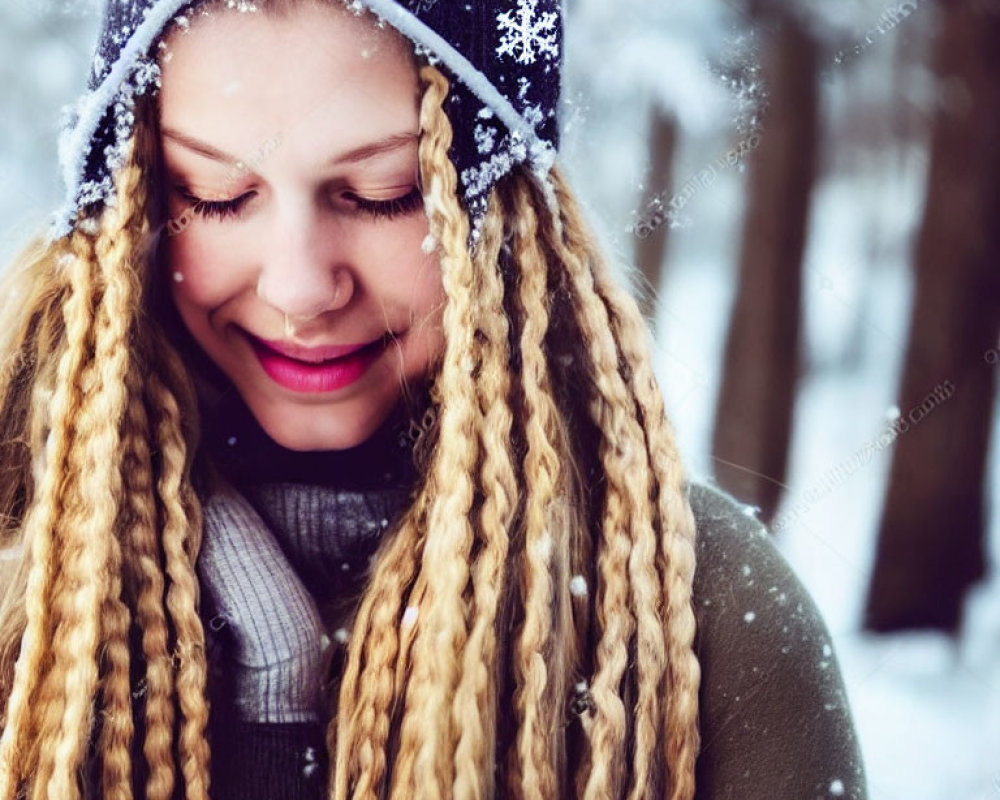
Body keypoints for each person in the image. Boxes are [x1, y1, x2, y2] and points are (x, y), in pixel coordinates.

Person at [0, 1, 868, 798]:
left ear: (504, 210)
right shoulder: (15, 560)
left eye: (385, 194)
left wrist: (283, 730)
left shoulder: (696, 616)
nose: (301, 287)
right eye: (217, 197)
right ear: (135, 201)